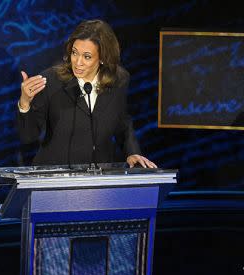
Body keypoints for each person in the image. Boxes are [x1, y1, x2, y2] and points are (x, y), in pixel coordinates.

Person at [16, 19, 157, 168]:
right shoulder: (51, 80)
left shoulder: (119, 80)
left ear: (103, 58)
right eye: (74, 53)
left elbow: (122, 121)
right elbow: (28, 136)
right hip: (55, 177)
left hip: (98, 179)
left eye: (87, 56)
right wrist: (25, 103)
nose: (78, 62)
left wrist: (131, 152)